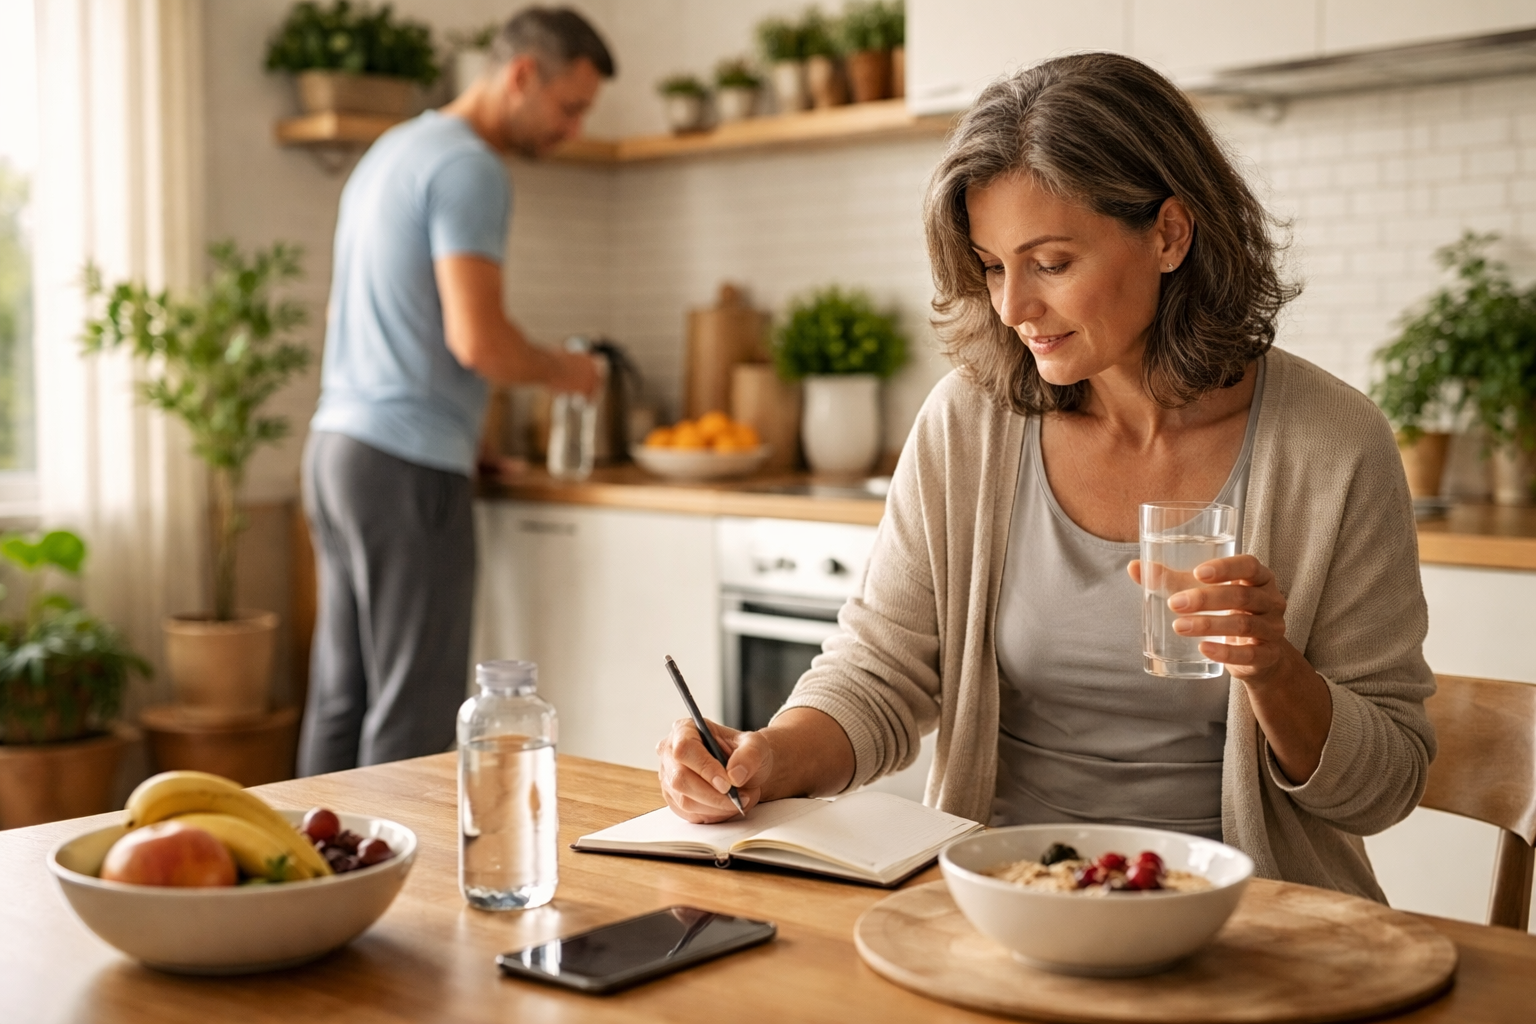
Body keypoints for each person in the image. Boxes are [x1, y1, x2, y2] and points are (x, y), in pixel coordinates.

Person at [656, 53, 1436, 901]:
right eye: (992, 266)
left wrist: (1275, 669)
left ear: (1170, 234)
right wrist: (771, 755)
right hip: (1005, 904)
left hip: (1251, 926)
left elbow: (1386, 785)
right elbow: (879, 673)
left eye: (1052, 263)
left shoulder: (1334, 445)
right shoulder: (969, 423)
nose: (1011, 307)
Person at [299, 7, 613, 775]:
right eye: (569, 107)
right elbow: (477, 339)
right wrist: (564, 370)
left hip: (338, 449)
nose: (571, 129)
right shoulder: (471, 166)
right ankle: (393, 896)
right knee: (416, 705)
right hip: (403, 466)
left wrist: (464, 441)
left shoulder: (392, 151)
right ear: (520, 76)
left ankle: (305, 881)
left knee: (343, 696)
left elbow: (381, 319)